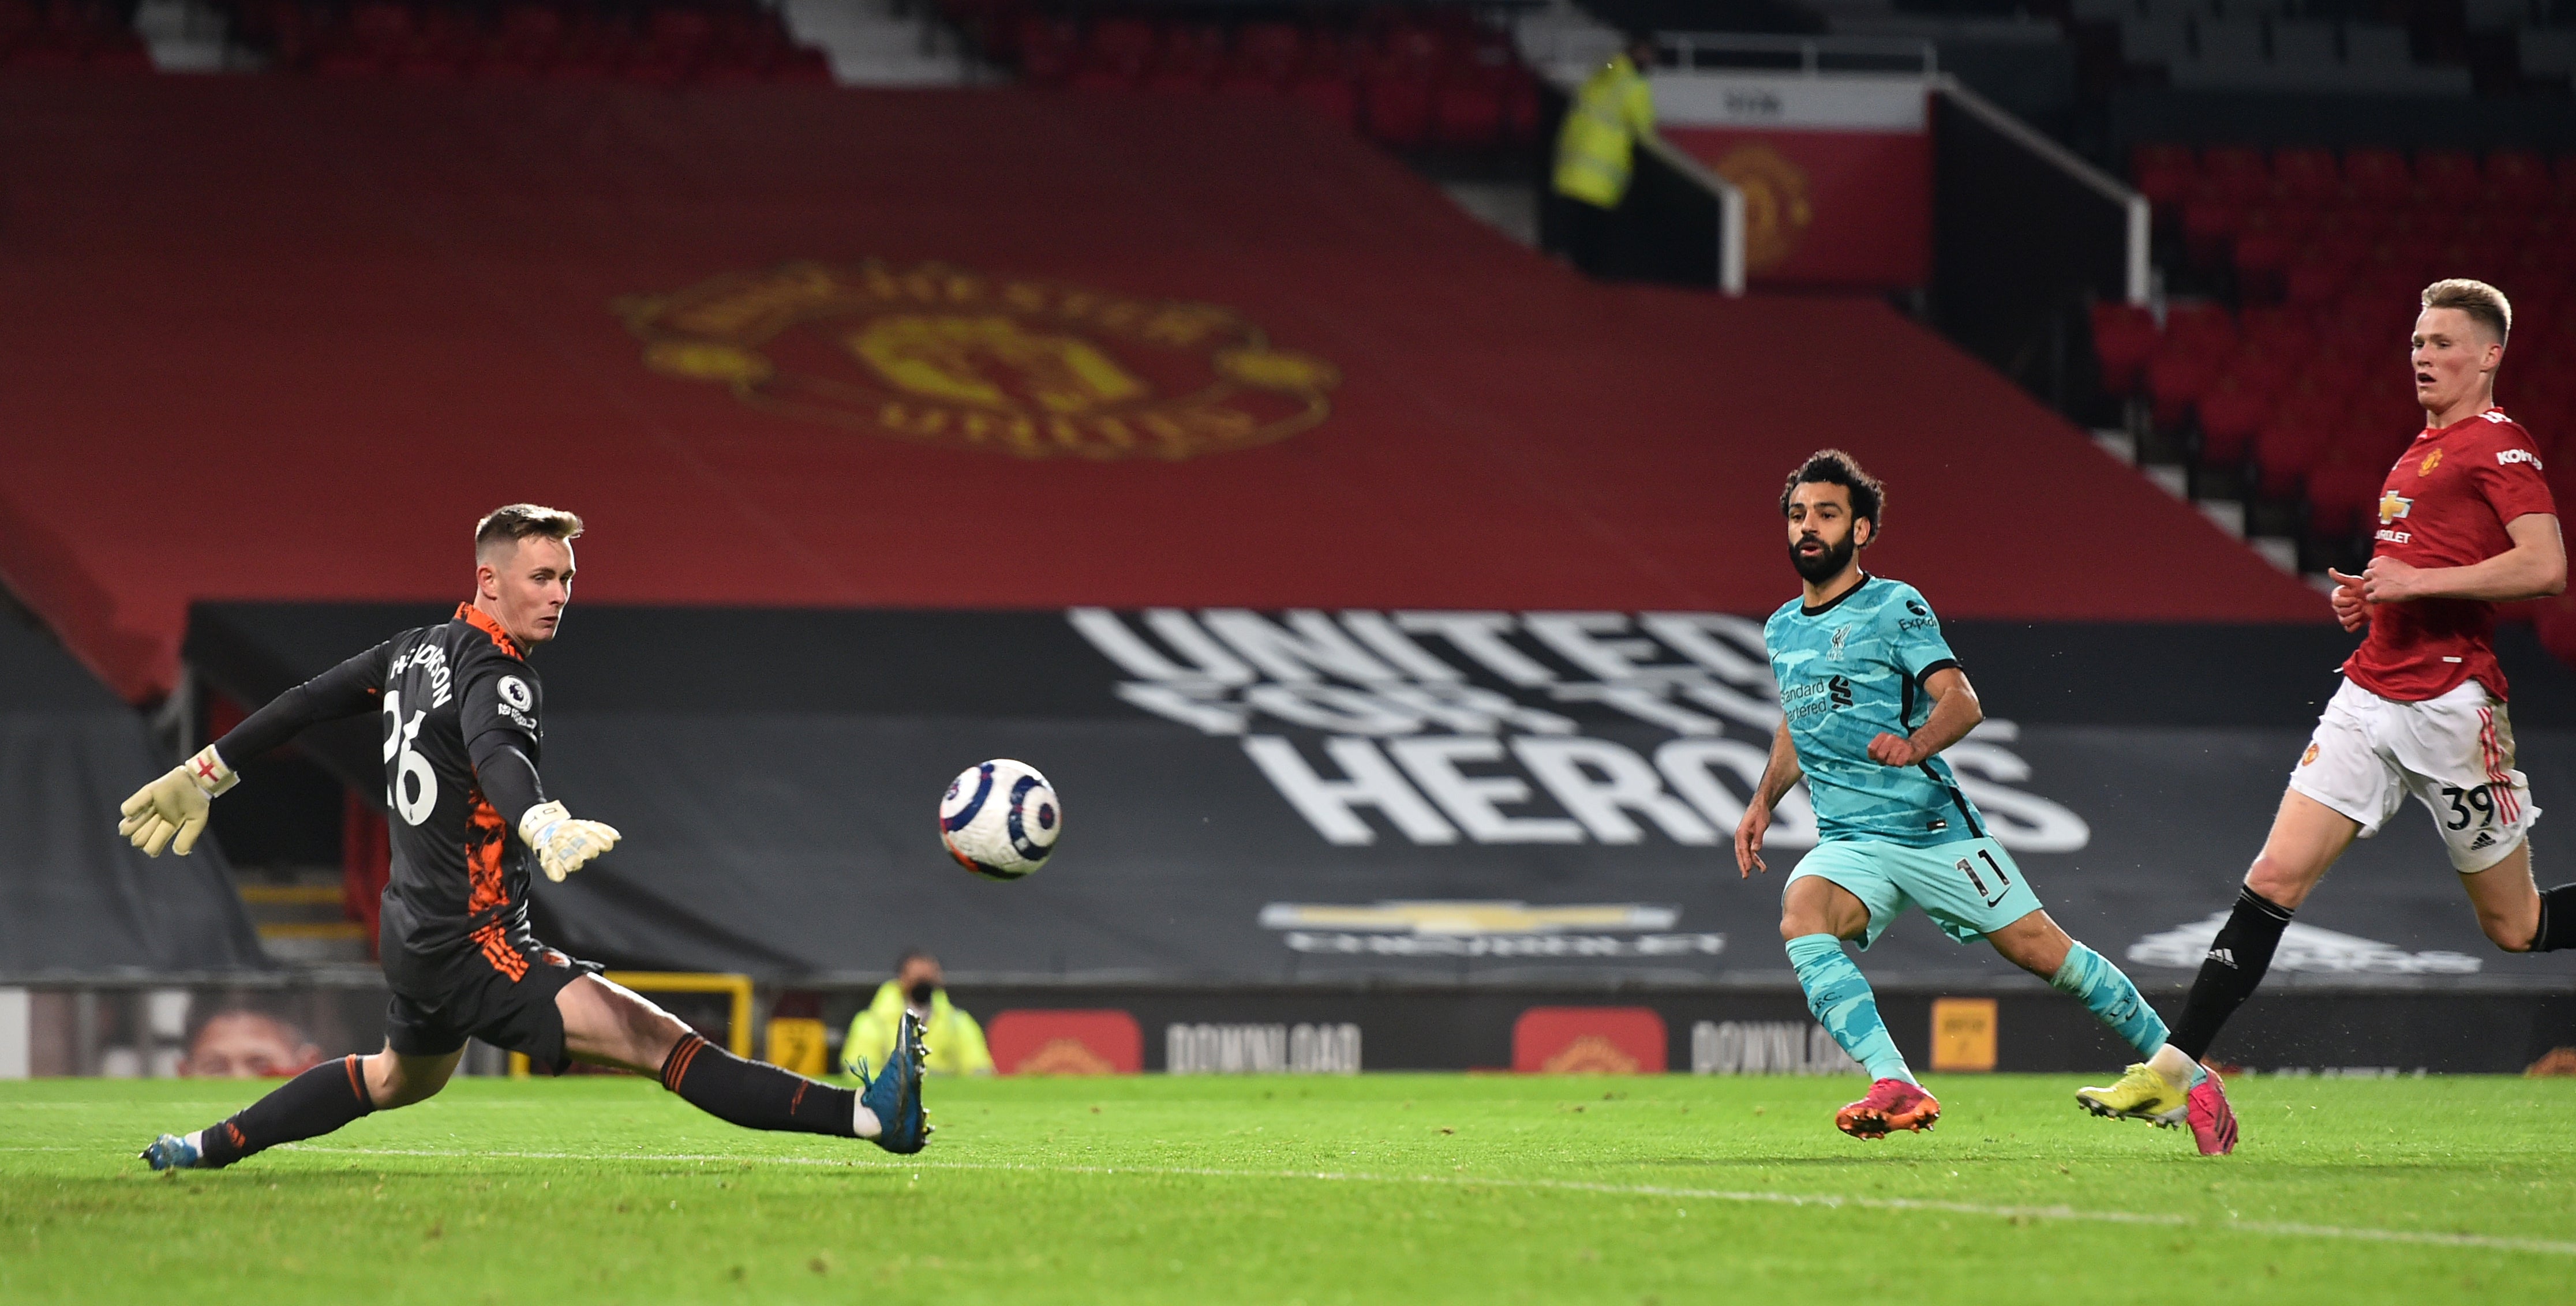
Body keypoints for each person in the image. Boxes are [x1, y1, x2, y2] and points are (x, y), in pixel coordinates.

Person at [120, 504, 926, 1170]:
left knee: (396, 1079)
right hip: (475, 942)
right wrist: (540, 821)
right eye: (541, 577)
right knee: (659, 1042)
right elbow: (496, 753)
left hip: (415, 933)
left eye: (568, 578)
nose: (559, 595)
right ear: (489, 580)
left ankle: (203, 1148)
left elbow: (303, 701)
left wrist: (205, 771)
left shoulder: (412, 653)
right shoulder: (497, 670)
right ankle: (867, 1115)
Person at [2082, 280, 2572, 1143]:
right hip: (2368, 696)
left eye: (2445, 343)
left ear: (2491, 354)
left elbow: (2545, 566)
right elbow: (2421, 573)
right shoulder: (2414, 453)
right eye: (2418, 340)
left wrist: (2418, 583)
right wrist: (2374, 603)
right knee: (2273, 879)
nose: (2423, 355)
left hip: (2454, 709)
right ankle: (2171, 1073)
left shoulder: (2502, 445)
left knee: (2516, 926)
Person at [1735, 451, 2227, 1149]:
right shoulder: (1782, 627)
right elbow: (1798, 718)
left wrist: (1916, 744)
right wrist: (1763, 802)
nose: (1808, 527)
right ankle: (1894, 1079)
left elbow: (1962, 702)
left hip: (1934, 830)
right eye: (1797, 514)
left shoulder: (1893, 605)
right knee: (1802, 913)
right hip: (1851, 840)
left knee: (2045, 953)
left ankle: (2191, 1078)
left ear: (1862, 530)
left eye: (1826, 513)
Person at [1550, 32, 1658, 278]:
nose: (1650, 59)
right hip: (1599, 181)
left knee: (1571, 243)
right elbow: (1646, 132)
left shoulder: (1602, 73)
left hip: (1571, 172)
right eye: (1648, 53)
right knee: (1591, 250)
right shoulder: (1635, 85)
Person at [844, 950, 993, 1079]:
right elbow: (858, 1072)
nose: (923, 984)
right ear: (902, 979)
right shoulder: (872, 1022)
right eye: (918, 978)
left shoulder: (958, 1022)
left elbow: (979, 1070)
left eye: (928, 978)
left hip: (948, 1100)